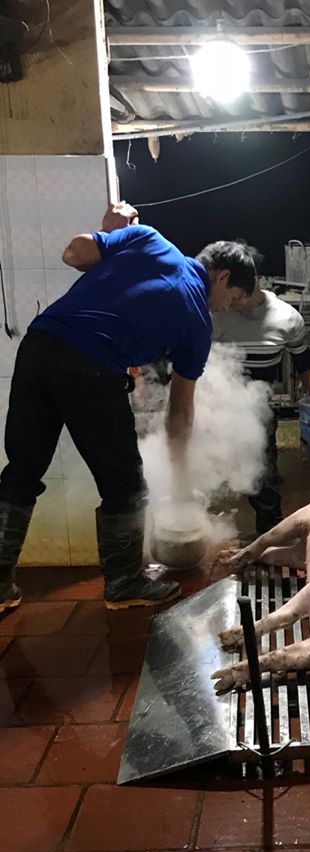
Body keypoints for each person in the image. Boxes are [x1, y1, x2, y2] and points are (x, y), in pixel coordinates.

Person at [0, 201, 252, 612]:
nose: (227, 307)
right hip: (92, 368)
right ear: (221, 276)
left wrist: (108, 232)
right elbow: (181, 414)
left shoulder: (149, 239)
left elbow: (73, 253)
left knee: (21, 473)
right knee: (125, 486)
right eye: (234, 298)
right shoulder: (198, 323)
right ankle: (123, 584)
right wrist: (180, 478)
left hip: (38, 346)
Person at [210, 243, 310, 534]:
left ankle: (270, 537)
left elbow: (306, 364)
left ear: (251, 284)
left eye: (234, 297)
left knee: (264, 479)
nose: (226, 303)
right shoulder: (215, 313)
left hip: (258, 410)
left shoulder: (286, 318)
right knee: (205, 476)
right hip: (212, 408)